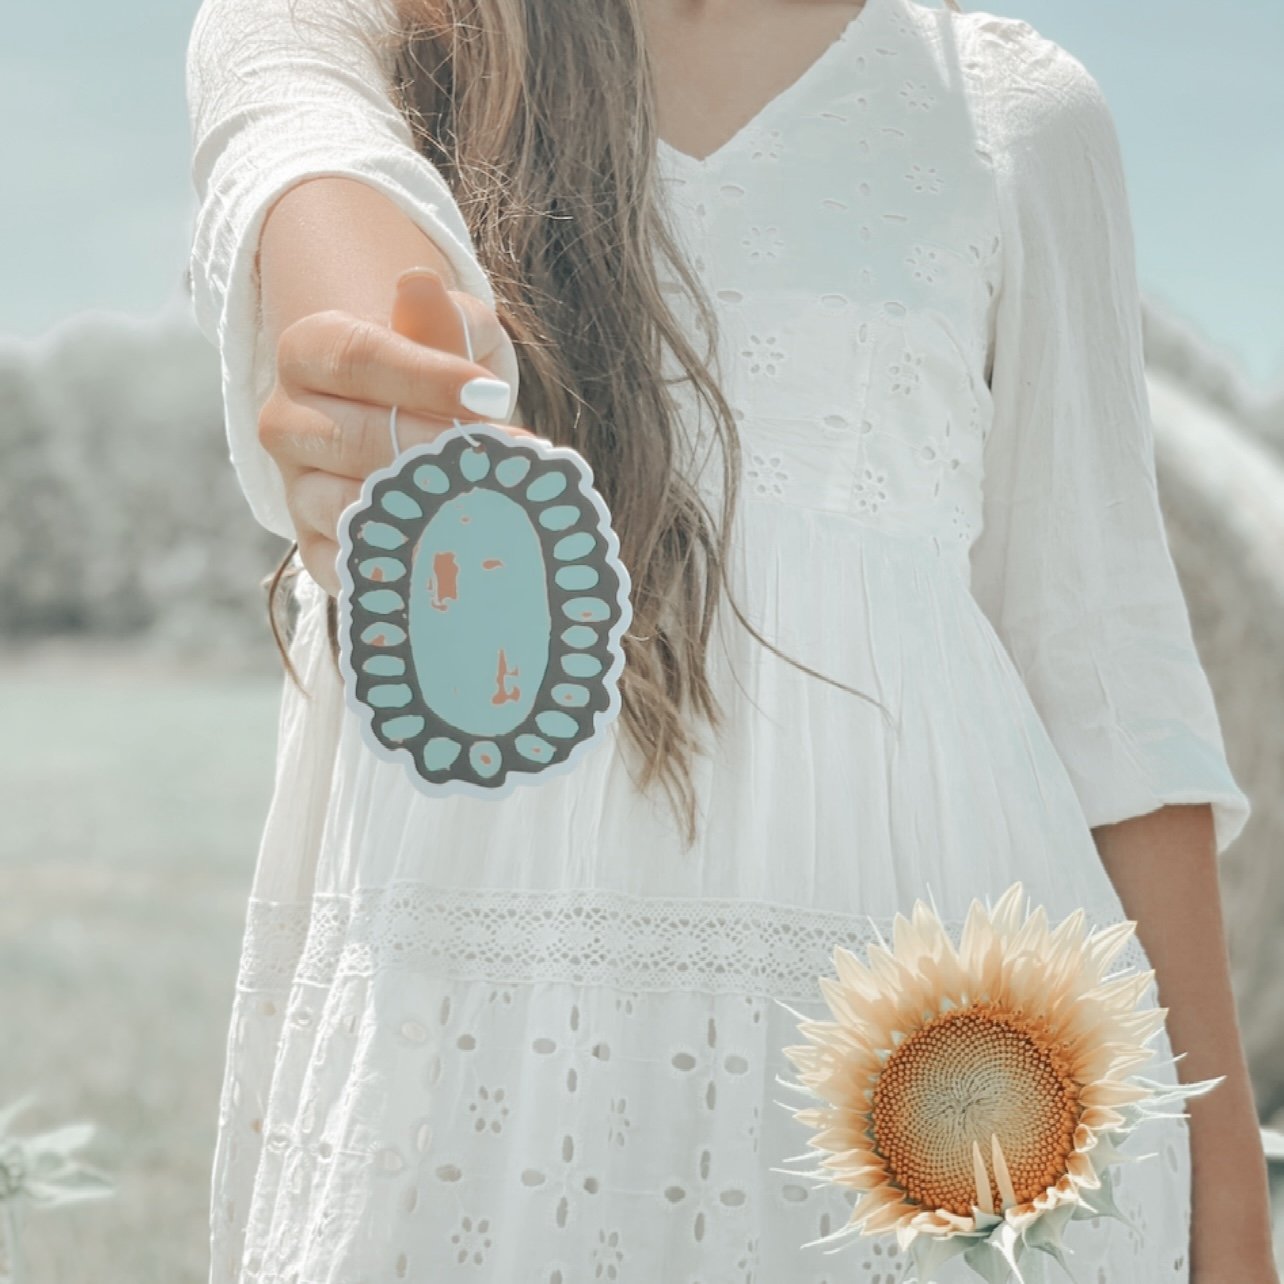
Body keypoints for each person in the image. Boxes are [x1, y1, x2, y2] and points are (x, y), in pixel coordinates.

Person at [184, 0, 1277, 1279]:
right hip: (483, 1079)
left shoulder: (1017, 113)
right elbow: (329, 198)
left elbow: (1110, 680)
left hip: (940, 1090)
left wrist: (1229, 1211)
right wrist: (395, 412)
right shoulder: (370, 31)